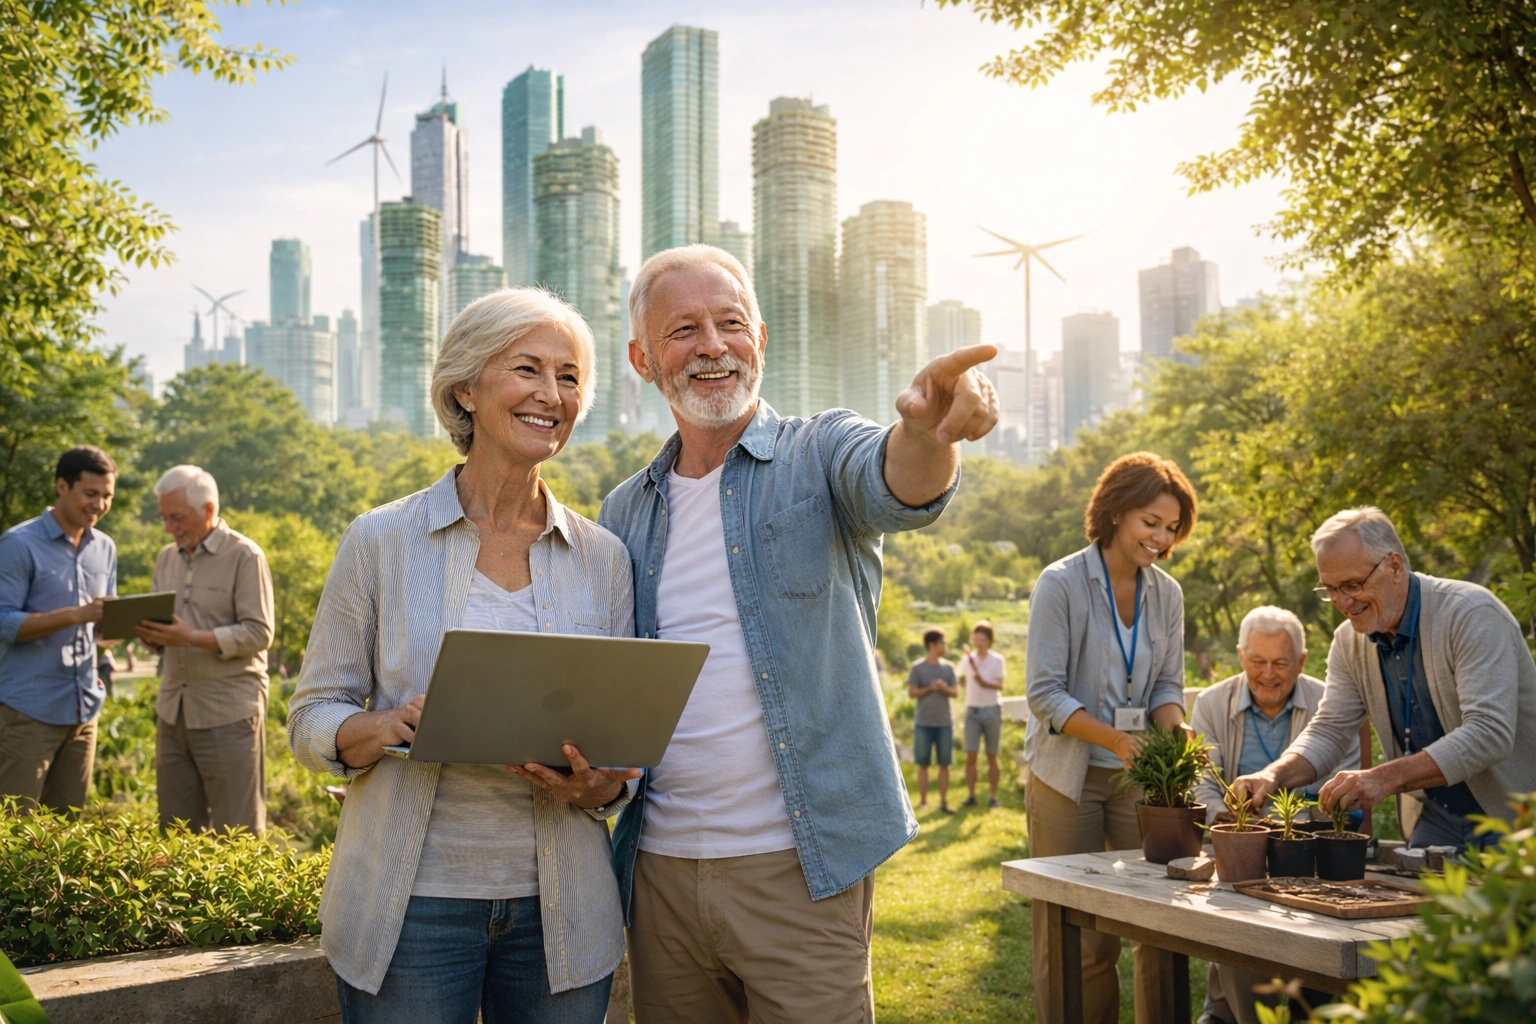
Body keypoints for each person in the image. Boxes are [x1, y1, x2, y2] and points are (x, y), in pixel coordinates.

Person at [599, 244, 998, 1024]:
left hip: (802, 871)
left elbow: (897, 483)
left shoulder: (820, 450)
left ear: (762, 339)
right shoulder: (625, 511)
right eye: (684, 330)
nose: (713, 345)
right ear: (643, 360)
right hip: (662, 874)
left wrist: (929, 433)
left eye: (731, 323)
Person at [288, 288, 635, 1023]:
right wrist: (382, 728)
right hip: (409, 912)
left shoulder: (605, 558)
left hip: (562, 915)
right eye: (528, 370)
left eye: (569, 377)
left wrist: (598, 788)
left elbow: (623, 757)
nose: (552, 395)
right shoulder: (380, 541)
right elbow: (313, 715)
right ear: (465, 390)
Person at [1235, 507, 1536, 852]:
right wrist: (1273, 776)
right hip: (1439, 821)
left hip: (1514, 819)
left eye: (1352, 584)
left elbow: (1489, 733)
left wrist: (1383, 778)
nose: (1342, 602)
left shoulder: (1471, 614)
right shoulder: (1348, 641)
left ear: (1394, 566)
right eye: (1331, 589)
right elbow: (1330, 728)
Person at [1023, 451, 1197, 1024]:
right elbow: (1045, 695)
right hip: (1066, 781)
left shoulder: (1167, 593)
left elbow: (1167, 684)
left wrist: (1175, 730)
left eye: (1172, 528)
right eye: (1152, 522)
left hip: (1137, 780)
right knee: (1076, 935)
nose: (1161, 537)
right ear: (1117, 511)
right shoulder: (1061, 583)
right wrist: (1117, 740)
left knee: (1157, 919)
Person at [1191, 606, 1359, 1024]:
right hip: (1237, 855)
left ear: (1301, 661)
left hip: (1311, 861)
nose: (1268, 674)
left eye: (1281, 663)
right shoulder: (1212, 702)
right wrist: (1233, 821)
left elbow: (1344, 794)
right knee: (1237, 932)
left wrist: (1284, 829)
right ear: (1240, 656)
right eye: (1257, 662)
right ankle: (1236, 1014)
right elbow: (1202, 784)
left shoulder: (1331, 704)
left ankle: (1237, 1013)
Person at [137, 466, 274, 834]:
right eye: (164, 517)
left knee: (238, 830)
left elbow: (259, 633)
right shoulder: (166, 557)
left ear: (209, 510)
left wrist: (192, 638)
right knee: (175, 831)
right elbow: (166, 627)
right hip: (173, 711)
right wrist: (150, 636)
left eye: (177, 517)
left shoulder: (245, 556)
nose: (169, 527)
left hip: (227, 712)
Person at [0, 446, 118, 814]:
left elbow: (101, 627)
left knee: (65, 832)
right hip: (28, 711)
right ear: (61, 487)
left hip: (84, 710)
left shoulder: (105, 547)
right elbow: (4, 622)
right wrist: (75, 615)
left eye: (107, 496)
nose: (99, 504)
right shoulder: (19, 544)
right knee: (13, 829)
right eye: (91, 493)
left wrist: (121, 628)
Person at [908, 629, 959, 813]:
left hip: (945, 723)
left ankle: (943, 801)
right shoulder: (917, 667)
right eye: (942, 643)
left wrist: (944, 688)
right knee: (923, 764)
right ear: (932, 645)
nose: (945, 646)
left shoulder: (948, 668)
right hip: (923, 723)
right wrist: (929, 688)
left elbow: (955, 693)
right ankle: (923, 801)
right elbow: (911, 692)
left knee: (944, 764)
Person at [957, 620, 1005, 808]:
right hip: (972, 711)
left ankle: (993, 797)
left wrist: (983, 682)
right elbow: (960, 679)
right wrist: (963, 683)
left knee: (992, 755)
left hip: (992, 710)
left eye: (982, 639)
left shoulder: (997, 660)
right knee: (971, 755)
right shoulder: (966, 660)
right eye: (975, 639)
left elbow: (1000, 685)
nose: (978, 642)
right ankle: (971, 796)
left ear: (989, 640)